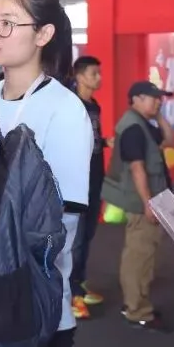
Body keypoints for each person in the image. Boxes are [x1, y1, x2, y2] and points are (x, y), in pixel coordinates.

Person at [0, 0, 92, 347]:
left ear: (44, 34)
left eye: (7, 23)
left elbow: (60, 224)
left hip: (35, 304)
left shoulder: (64, 111)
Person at [102, 81, 174, 332]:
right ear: (136, 99)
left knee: (143, 253)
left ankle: (136, 304)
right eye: (154, 98)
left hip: (148, 200)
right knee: (139, 256)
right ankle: (137, 312)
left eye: (159, 98)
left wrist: (159, 116)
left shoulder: (143, 124)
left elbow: (169, 140)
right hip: (141, 202)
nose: (158, 102)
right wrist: (148, 203)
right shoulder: (133, 128)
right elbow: (137, 168)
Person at [69, 55, 108, 319]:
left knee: (88, 234)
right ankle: (71, 294)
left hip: (95, 177)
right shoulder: (71, 105)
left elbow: (92, 139)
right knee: (76, 238)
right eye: (94, 73)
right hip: (77, 180)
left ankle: (79, 284)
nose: (98, 78)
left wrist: (105, 142)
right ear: (80, 76)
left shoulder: (94, 105)